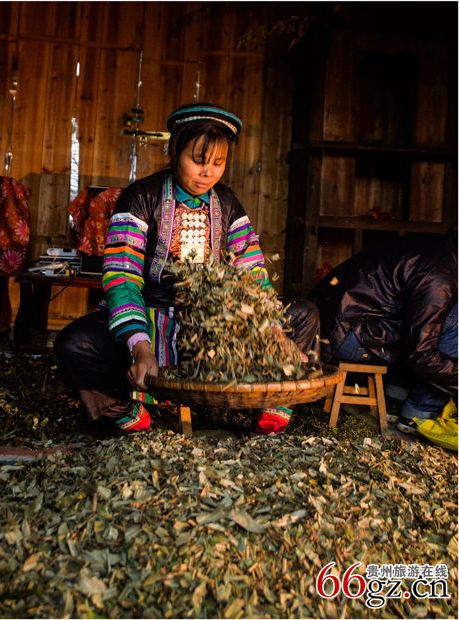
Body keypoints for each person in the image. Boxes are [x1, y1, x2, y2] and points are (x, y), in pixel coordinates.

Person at [55, 103, 320, 436]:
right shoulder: (140, 198)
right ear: (174, 151)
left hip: (211, 327)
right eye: (198, 160)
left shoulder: (228, 204)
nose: (207, 172)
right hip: (149, 316)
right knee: (74, 343)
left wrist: (276, 336)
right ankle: (123, 411)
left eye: (218, 163)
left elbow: (252, 274)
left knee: (303, 315)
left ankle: (270, 406)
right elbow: (122, 277)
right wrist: (140, 347)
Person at [308, 233, 457, 434]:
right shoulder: (440, 279)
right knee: (452, 319)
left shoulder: (439, 247)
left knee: (423, 323)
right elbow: (420, 353)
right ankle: (420, 412)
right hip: (346, 334)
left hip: (336, 323)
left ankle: (394, 397)